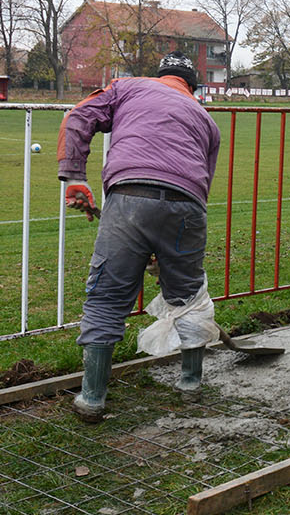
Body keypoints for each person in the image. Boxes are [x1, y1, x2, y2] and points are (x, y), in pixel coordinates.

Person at [58, 52, 221, 422]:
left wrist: (74, 177)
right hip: (187, 208)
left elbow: (79, 117)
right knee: (189, 294)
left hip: (129, 197)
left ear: (159, 75)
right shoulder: (206, 120)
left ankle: (92, 398)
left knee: (107, 295)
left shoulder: (128, 87)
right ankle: (191, 384)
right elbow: (201, 186)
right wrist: (165, 246)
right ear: (192, 87)